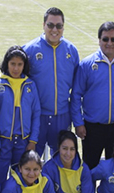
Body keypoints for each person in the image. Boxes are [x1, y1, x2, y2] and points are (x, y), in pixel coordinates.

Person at [70, 21, 114, 170]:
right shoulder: (87, 65)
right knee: (89, 168)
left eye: (113, 39)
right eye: (105, 39)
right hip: (92, 128)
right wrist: (78, 123)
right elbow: (76, 95)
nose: (109, 43)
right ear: (99, 40)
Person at [23, 7, 80, 157]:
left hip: (62, 117)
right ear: (43, 25)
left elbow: (77, 90)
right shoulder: (29, 50)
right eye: (50, 25)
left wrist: (77, 119)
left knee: (61, 162)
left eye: (59, 26)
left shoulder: (71, 51)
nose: (54, 29)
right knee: (31, 162)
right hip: (37, 117)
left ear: (63, 27)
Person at [0, 46, 41, 183]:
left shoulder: (30, 85)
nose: (16, 68)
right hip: (3, 140)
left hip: (23, 141)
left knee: (20, 179)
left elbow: (36, 114)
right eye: (13, 64)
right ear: (7, 64)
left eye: (19, 64)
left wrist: (32, 141)